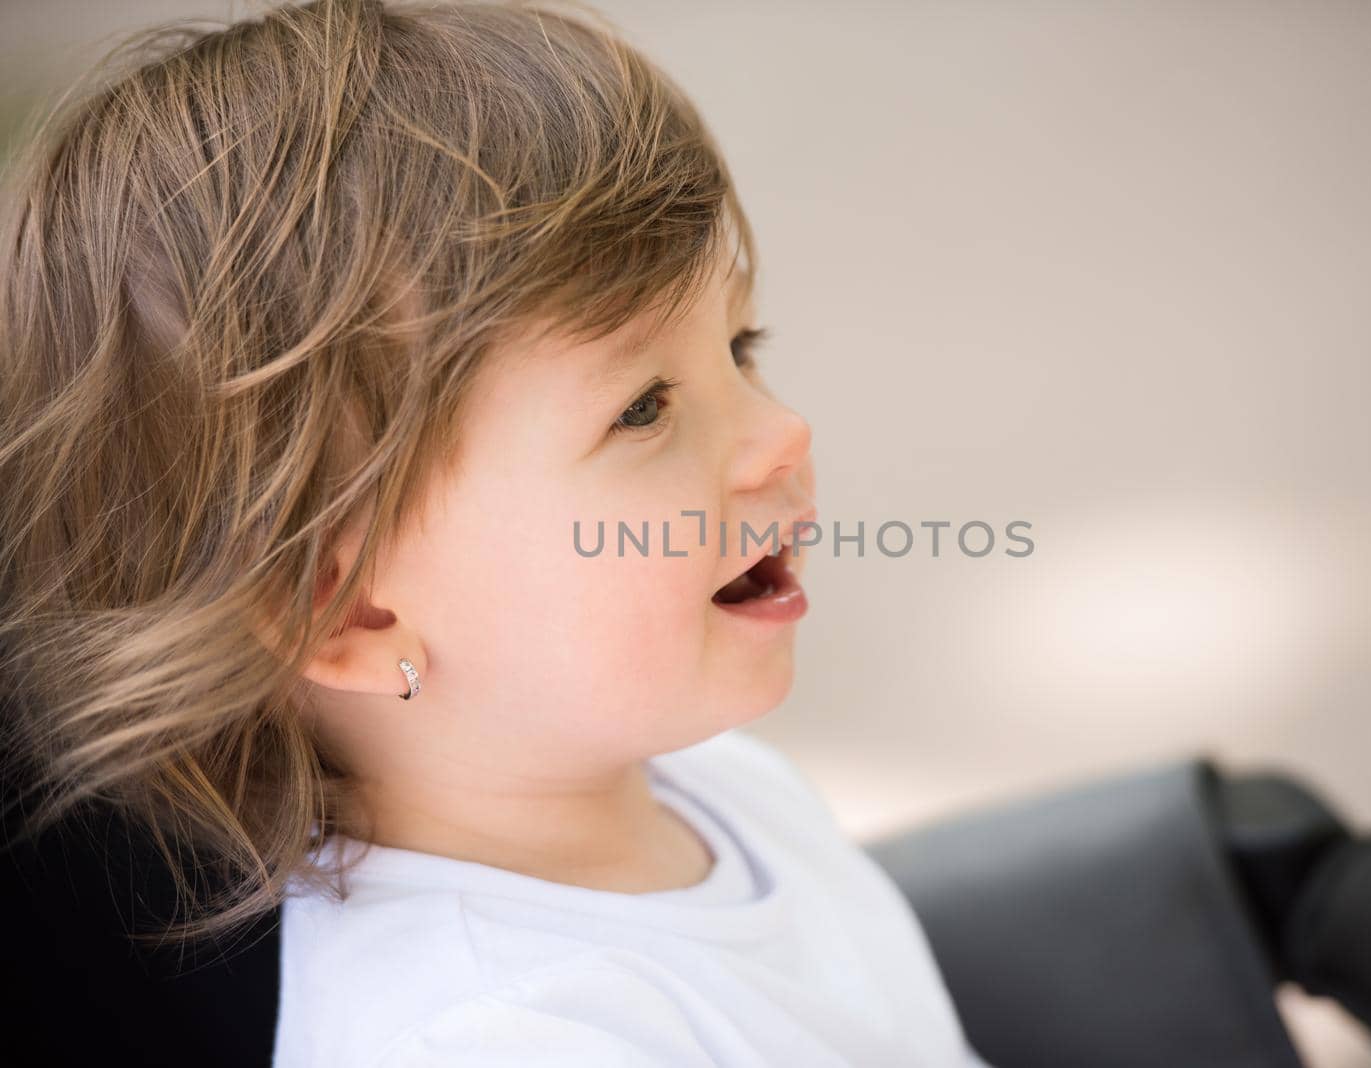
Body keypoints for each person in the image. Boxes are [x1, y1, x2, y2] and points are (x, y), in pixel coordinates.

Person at [0, 2, 992, 1065]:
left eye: (740, 347)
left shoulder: (713, 785)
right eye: (643, 407)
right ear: (354, 612)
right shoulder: (499, 1036)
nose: (780, 435)